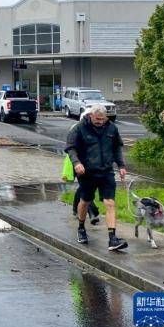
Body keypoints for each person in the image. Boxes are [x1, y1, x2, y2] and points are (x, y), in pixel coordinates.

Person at [65, 104, 128, 251]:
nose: (100, 121)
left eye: (102, 118)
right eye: (97, 119)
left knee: (110, 202)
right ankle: (81, 227)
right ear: (91, 116)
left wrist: (121, 166)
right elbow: (70, 147)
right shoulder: (80, 128)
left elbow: (117, 147)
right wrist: (76, 163)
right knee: (85, 201)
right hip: (86, 172)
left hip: (106, 171)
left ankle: (112, 238)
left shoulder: (112, 128)